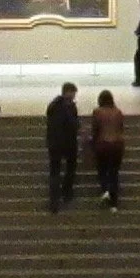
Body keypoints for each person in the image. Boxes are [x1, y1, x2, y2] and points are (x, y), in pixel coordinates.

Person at [45, 82, 81, 212]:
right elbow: (72, 124)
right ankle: (66, 193)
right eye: (73, 93)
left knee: (55, 172)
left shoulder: (53, 106)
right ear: (67, 92)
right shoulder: (69, 107)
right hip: (67, 143)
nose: (74, 96)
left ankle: (54, 201)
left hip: (54, 143)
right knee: (69, 168)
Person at [89, 88, 127, 209]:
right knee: (114, 173)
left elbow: (95, 129)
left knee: (102, 170)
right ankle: (114, 204)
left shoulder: (97, 112)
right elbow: (121, 128)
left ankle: (105, 190)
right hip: (117, 146)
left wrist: (92, 143)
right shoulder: (118, 112)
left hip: (102, 145)